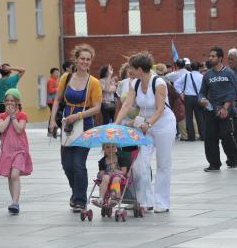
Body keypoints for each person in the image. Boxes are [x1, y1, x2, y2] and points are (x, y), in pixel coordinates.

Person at [115, 52, 176, 213]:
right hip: (144, 124)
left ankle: (162, 202)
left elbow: (160, 108)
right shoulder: (134, 83)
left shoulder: (159, 83)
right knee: (140, 163)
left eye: (132, 69)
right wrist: (116, 125)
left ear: (140, 69)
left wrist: (148, 124)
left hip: (163, 124)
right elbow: (127, 104)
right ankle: (146, 201)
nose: (130, 72)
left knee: (163, 164)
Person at [49, 44, 102, 212]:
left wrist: (78, 115)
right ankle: (75, 192)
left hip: (84, 124)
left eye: (88, 59)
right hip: (67, 125)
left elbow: (97, 108)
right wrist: (52, 121)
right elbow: (57, 100)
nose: (85, 62)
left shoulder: (93, 82)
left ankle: (80, 200)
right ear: (76, 59)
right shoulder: (66, 78)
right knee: (67, 164)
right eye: (82, 59)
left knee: (79, 164)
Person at [198, 47, 237, 172]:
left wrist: (225, 108)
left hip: (225, 109)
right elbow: (201, 93)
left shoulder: (229, 73)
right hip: (211, 110)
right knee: (210, 138)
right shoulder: (207, 75)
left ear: (220, 58)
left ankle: (233, 159)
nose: (210, 58)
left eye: (213, 56)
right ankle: (214, 164)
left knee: (226, 136)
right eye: (210, 56)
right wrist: (202, 100)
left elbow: (233, 92)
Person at [0, 88, 32, 214]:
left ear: (17, 102)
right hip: (7, 151)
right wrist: (8, 116)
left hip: (20, 150)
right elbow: (1, 129)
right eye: (7, 101)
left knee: (15, 175)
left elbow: (19, 129)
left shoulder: (22, 115)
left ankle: (16, 203)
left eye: (12, 101)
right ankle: (14, 201)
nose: (9, 103)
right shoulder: (2, 115)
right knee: (9, 177)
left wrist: (13, 117)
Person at [174, 61, 205, 141]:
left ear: (191, 68)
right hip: (198, 98)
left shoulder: (186, 75)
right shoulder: (202, 76)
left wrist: (181, 93)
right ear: (199, 68)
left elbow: (176, 84)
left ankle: (191, 137)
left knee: (189, 117)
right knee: (200, 117)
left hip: (188, 97)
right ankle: (203, 136)